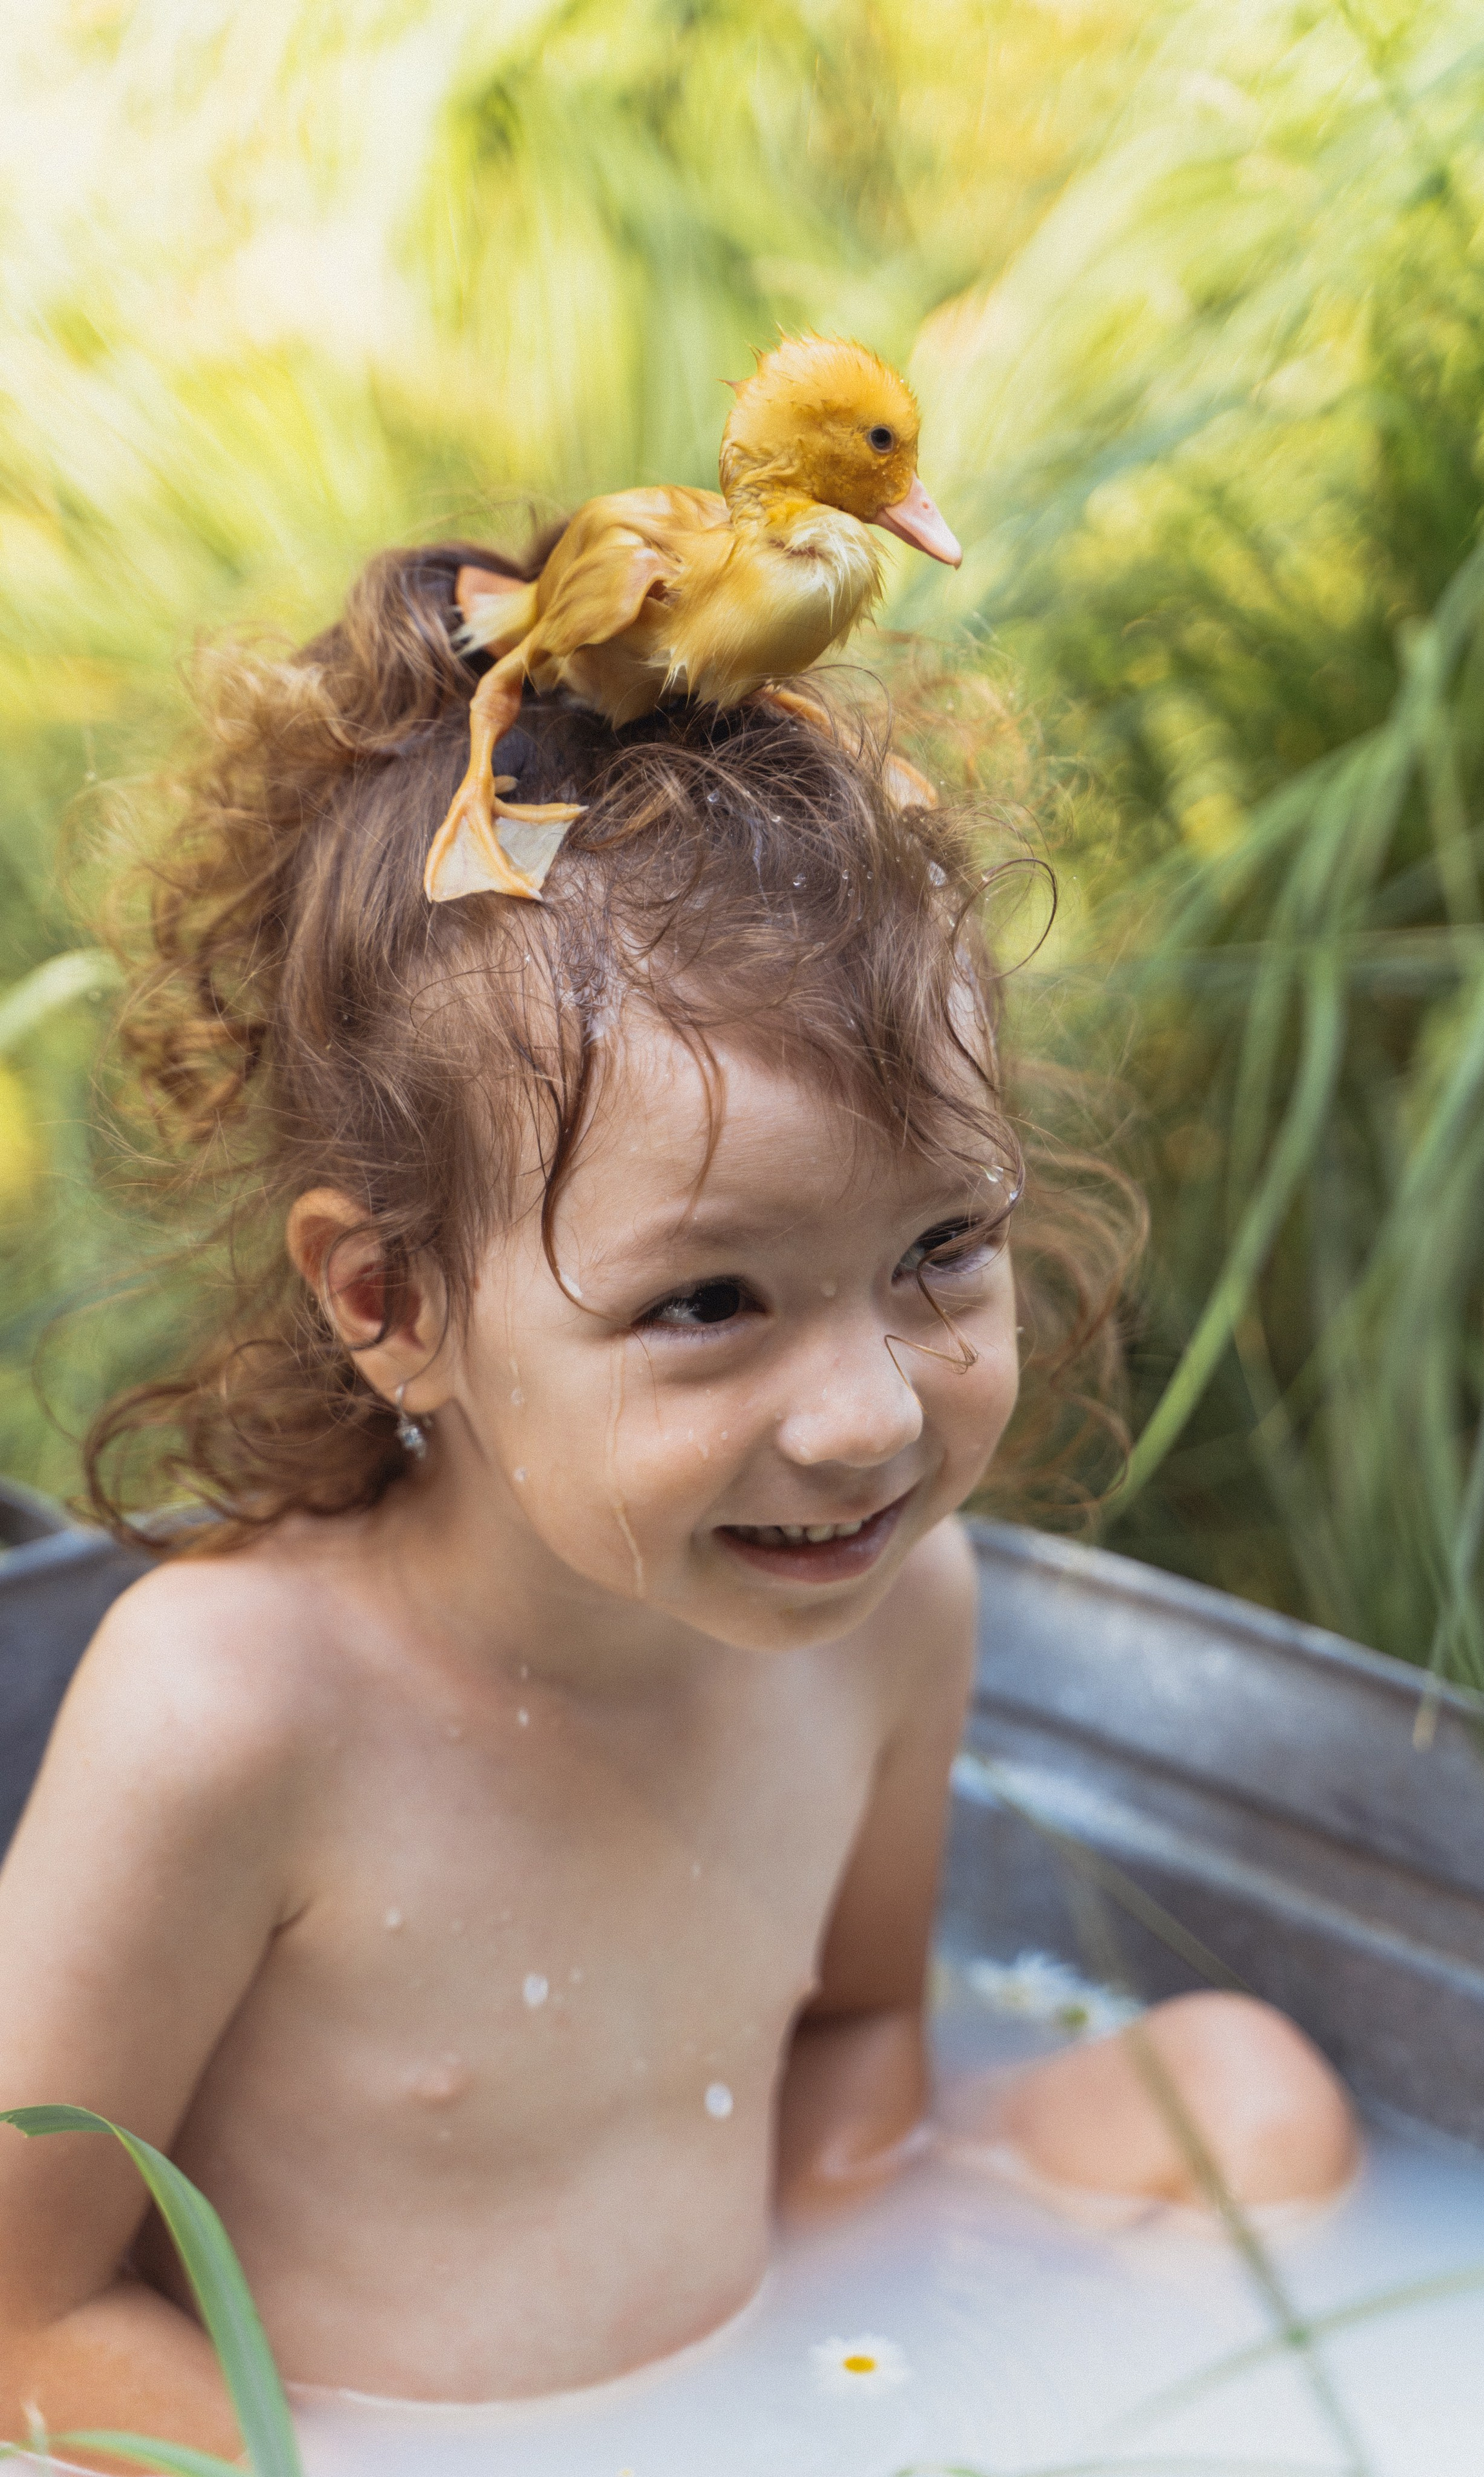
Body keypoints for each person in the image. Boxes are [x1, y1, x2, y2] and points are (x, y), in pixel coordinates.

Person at [0, 538, 1356, 2461]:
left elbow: (853, 2035)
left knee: (1250, 2099)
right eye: (712, 1302)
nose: (869, 1419)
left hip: (757, 2353)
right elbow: (21, 2311)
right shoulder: (236, 1714)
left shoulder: (902, 1606)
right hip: (369, 2428)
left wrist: (869, 2351)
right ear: (392, 1304)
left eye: (944, 1251)